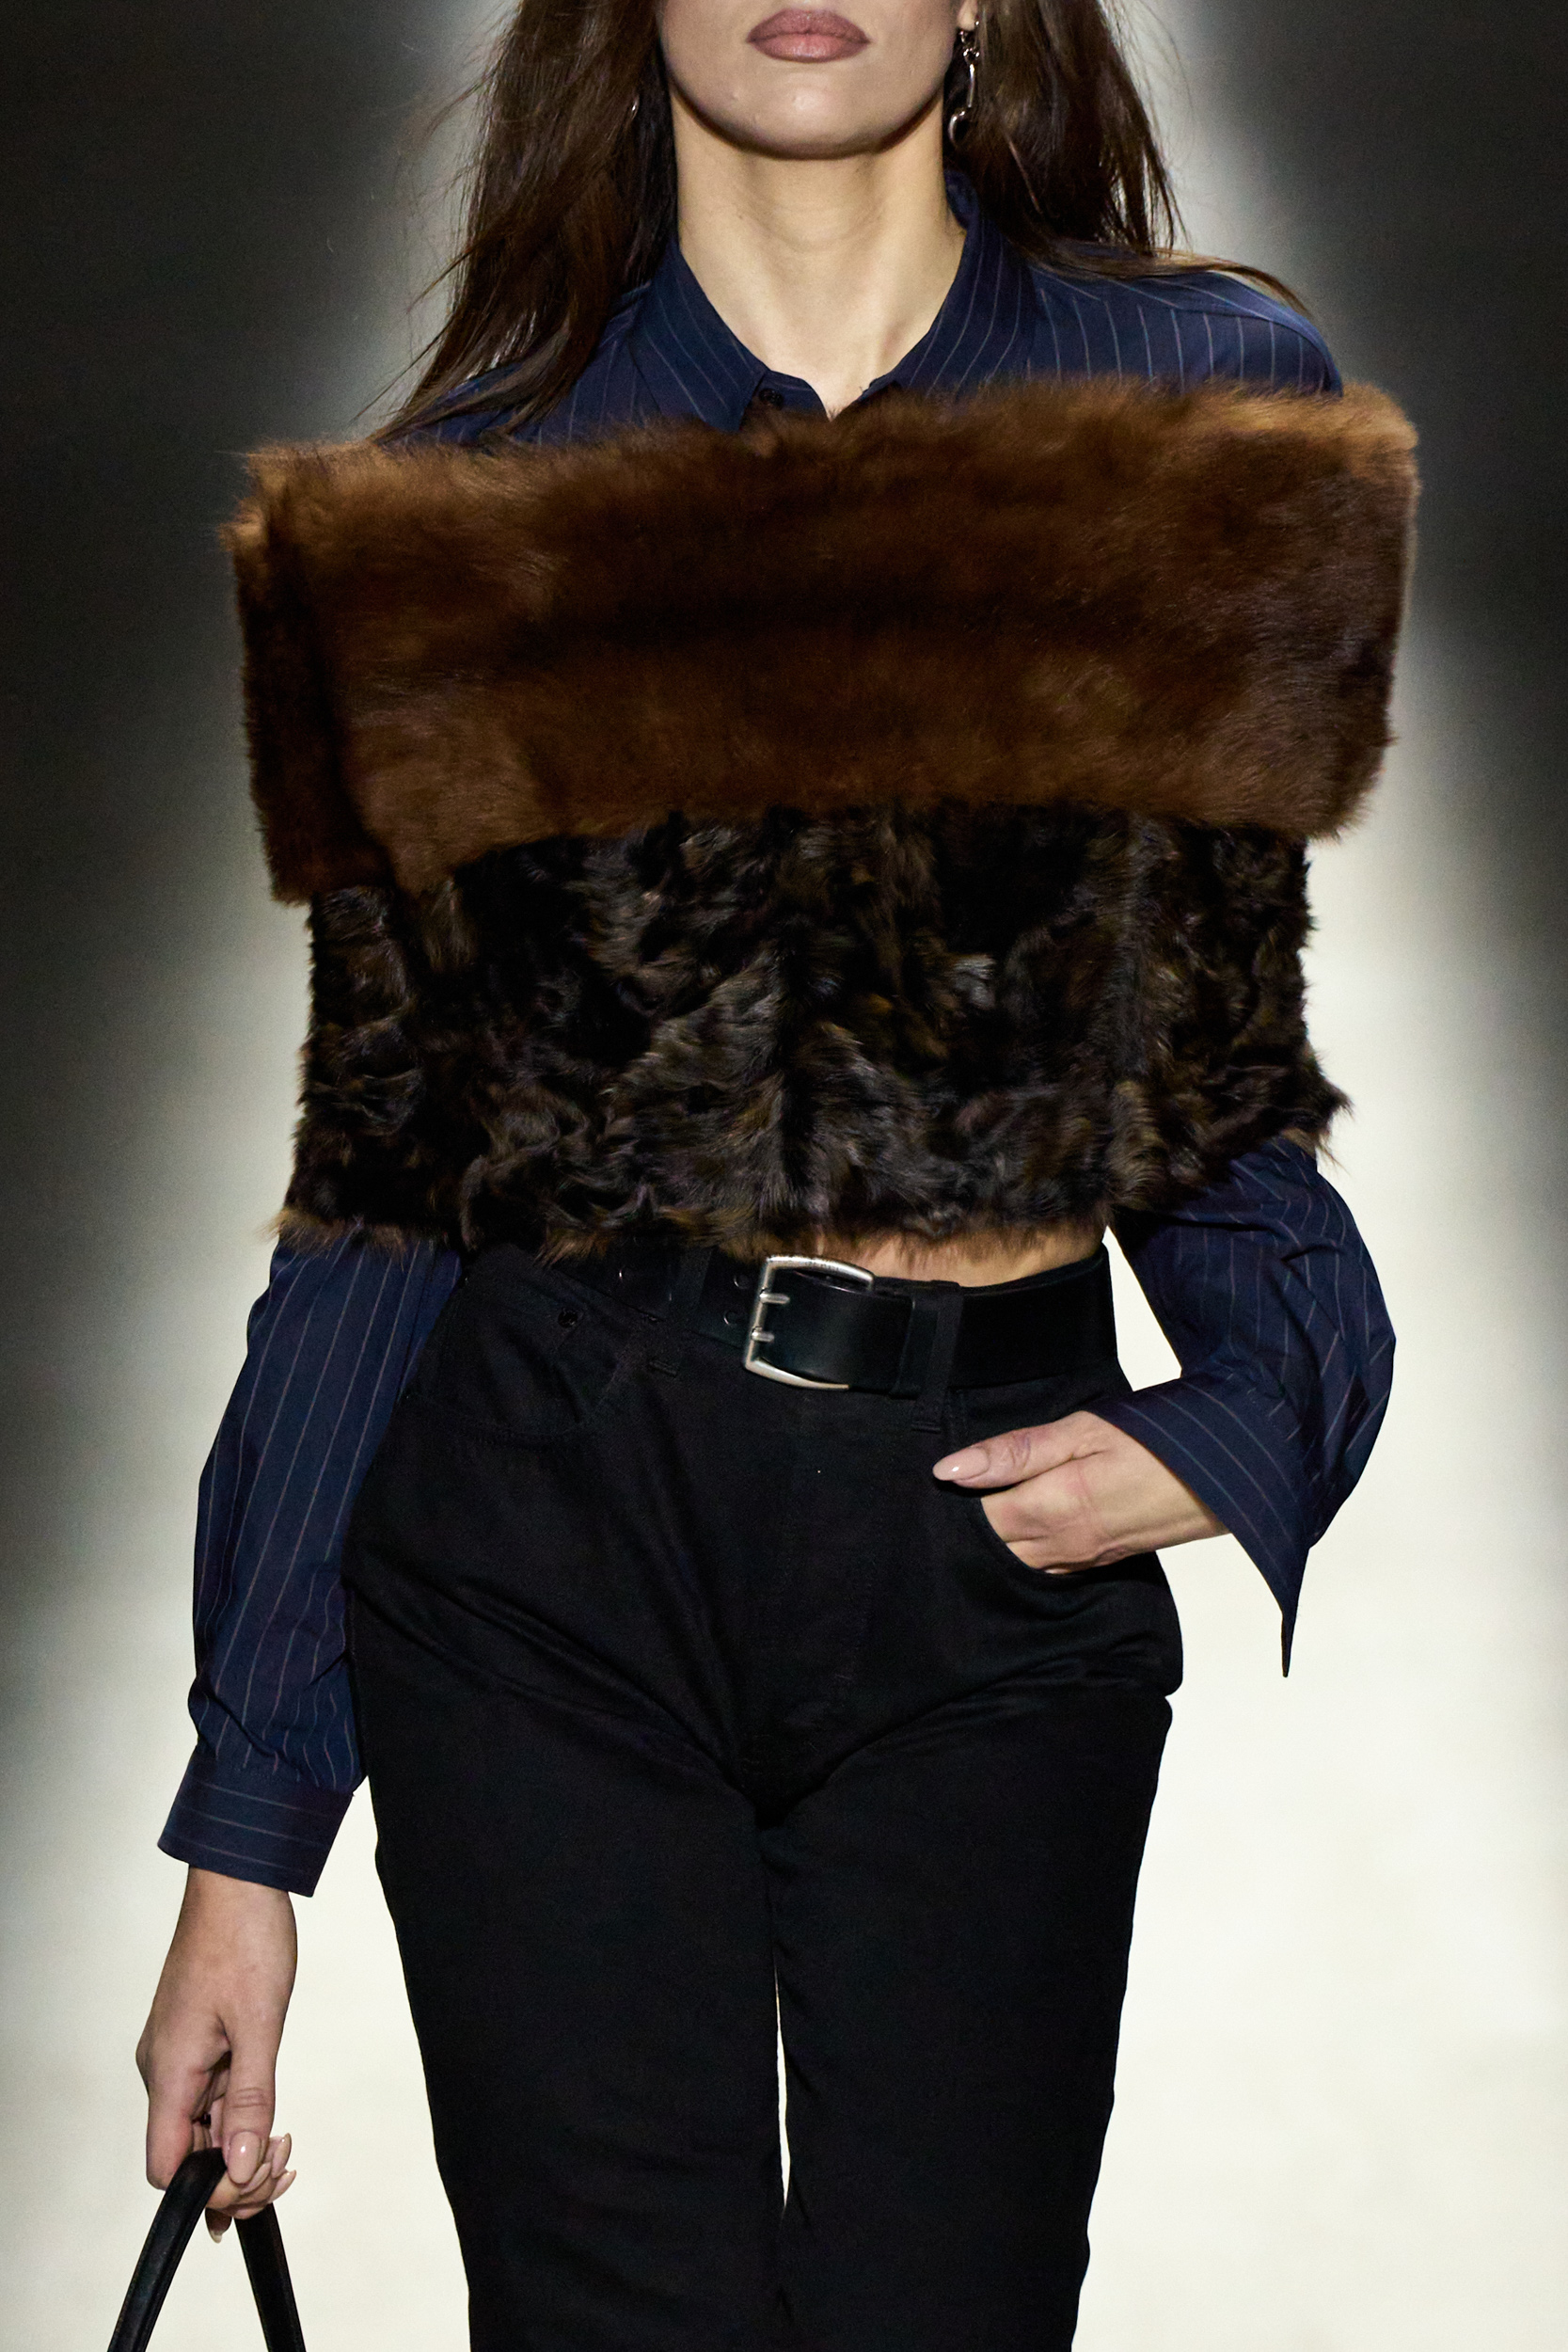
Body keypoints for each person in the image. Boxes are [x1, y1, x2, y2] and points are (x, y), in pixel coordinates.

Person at [136, 0, 1414, 2342]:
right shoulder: (475, 494)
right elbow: (394, 1199)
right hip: (551, 1531)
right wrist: (249, 1829)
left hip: (980, 1533)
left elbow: (1201, 1044)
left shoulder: (1206, 410)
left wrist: (1258, 1403)